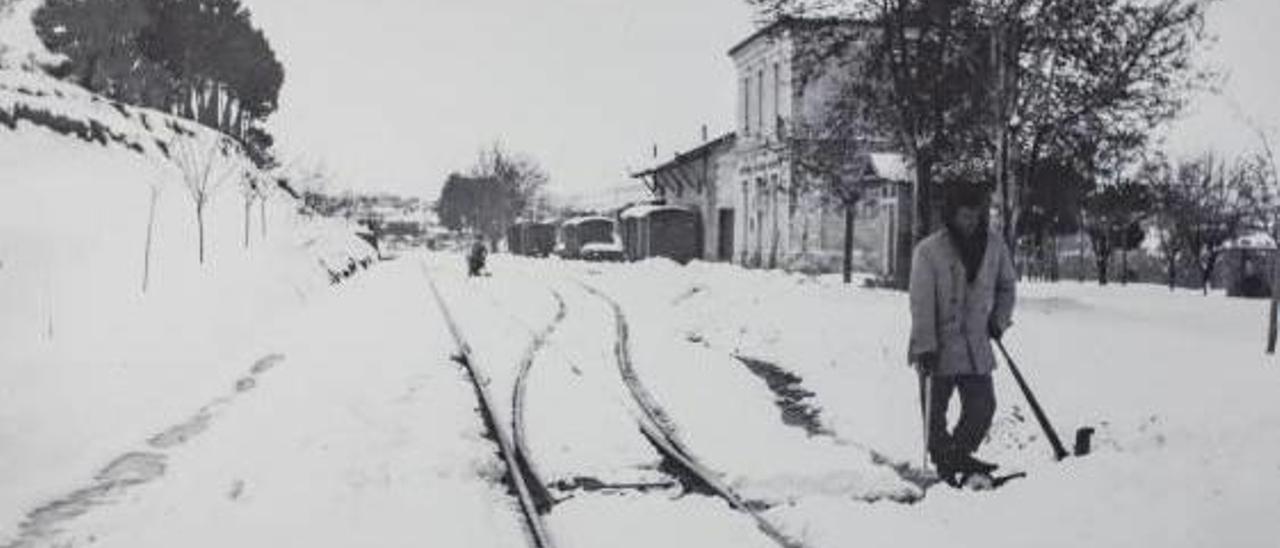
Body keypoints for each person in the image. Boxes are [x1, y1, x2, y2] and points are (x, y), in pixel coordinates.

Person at [908, 181, 1017, 486]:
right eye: (964, 216)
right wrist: (925, 345)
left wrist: (999, 319)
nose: (970, 222)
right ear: (951, 215)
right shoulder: (928, 251)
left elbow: (1007, 286)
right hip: (937, 346)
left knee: (983, 407)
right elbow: (920, 303)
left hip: (976, 345)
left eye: (975, 215)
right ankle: (945, 459)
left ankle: (956, 456)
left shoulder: (995, 245)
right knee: (935, 413)